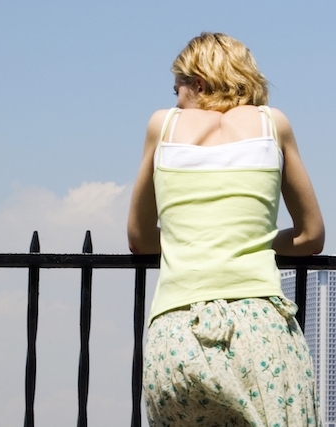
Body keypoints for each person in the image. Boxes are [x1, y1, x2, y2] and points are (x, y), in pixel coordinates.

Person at [127, 32, 325, 427]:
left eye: (177, 89)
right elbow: (310, 235)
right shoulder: (273, 124)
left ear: (197, 83)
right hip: (259, 331)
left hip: (177, 332)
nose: (175, 101)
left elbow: (140, 238)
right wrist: (256, 241)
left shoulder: (162, 126)